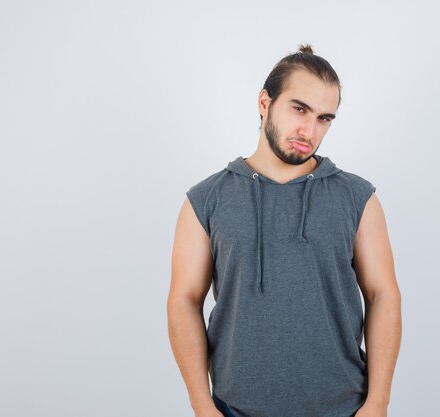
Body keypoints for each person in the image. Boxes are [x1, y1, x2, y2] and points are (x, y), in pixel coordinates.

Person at [168, 44, 402, 417]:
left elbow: (382, 295)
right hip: (234, 409)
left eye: (324, 118)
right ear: (265, 102)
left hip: (344, 407)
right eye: (299, 109)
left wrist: (378, 403)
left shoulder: (358, 197)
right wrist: (202, 405)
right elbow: (183, 301)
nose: (309, 130)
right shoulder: (206, 199)